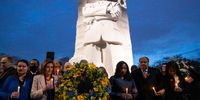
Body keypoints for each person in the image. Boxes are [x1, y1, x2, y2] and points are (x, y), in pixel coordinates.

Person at [70, 0, 133, 77]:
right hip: (92, 35)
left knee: (113, 68)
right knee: (91, 68)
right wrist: (107, 10)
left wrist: (95, 15)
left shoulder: (115, 4)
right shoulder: (89, 5)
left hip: (111, 35)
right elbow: (86, 12)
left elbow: (116, 15)